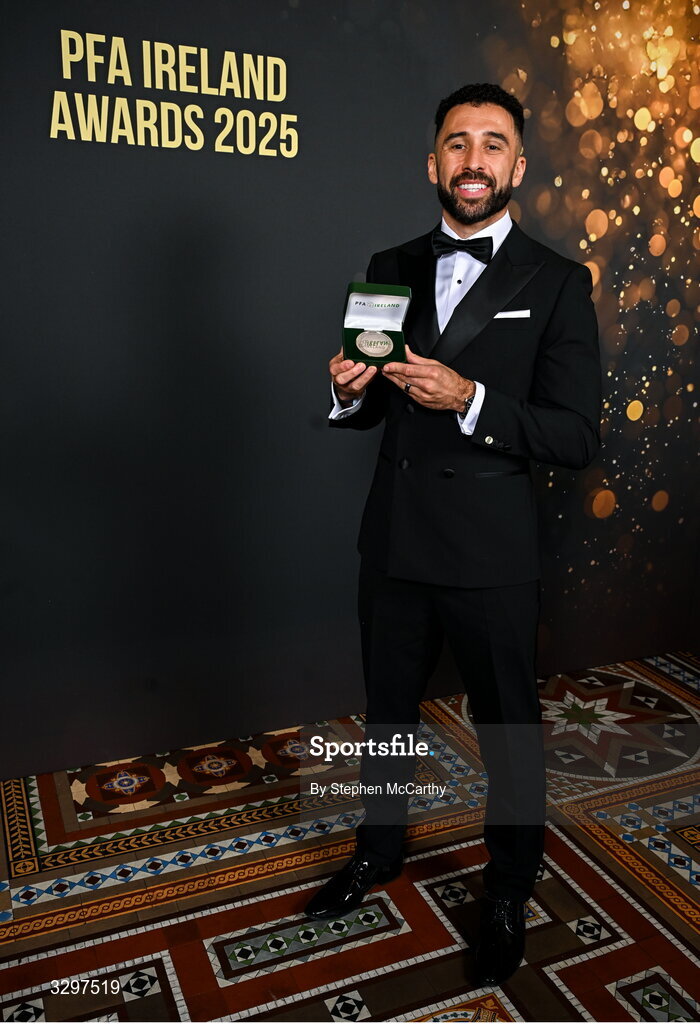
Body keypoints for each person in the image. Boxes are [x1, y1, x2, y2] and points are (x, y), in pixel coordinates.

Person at [306, 82, 601, 986]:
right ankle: (380, 847)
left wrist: (471, 400)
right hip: (394, 541)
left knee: (508, 729)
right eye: (458, 143)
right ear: (433, 162)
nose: (474, 160)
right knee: (388, 715)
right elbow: (365, 408)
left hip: (490, 553)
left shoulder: (556, 282)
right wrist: (347, 393)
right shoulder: (387, 261)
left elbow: (576, 436)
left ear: (517, 164)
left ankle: (510, 883)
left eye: (493, 144)